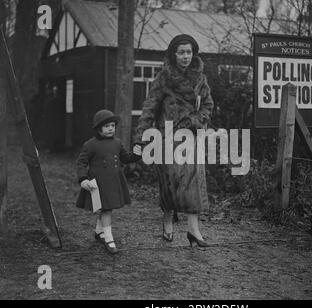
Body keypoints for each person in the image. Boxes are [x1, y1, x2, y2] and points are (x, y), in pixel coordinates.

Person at [134, 34, 214, 247]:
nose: (186, 56)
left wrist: (194, 120)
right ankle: (167, 218)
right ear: (173, 54)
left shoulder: (200, 79)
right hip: (167, 137)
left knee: (194, 181)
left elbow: (207, 106)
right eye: (181, 52)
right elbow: (149, 107)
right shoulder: (163, 78)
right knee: (170, 183)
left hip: (192, 136)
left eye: (189, 52)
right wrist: (140, 138)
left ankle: (193, 230)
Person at [76, 109, 142, 254]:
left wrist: (136, 155)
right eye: (107, 126)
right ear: (99, 129)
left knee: (106, 207)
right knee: (106, 209)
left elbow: (125, 158)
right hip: (98, 183)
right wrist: (83, 179)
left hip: (113, 181)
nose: (111, 128)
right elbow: (81, 163)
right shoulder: (90, 145)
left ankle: (100, 230)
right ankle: (109, 238)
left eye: (112, 125)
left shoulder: (117, 143)